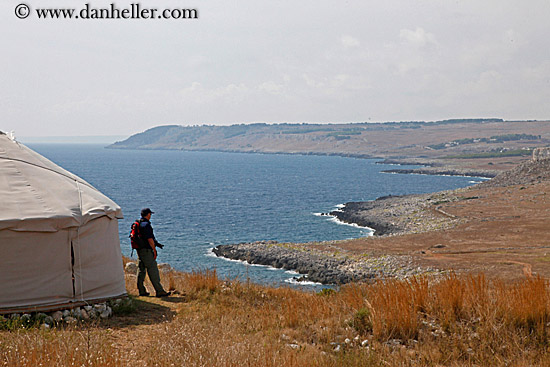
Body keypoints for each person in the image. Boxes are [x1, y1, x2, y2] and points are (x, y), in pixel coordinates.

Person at [136, 208, 171, 297]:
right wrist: (154, 250)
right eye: (150, 214)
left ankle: (141, 290)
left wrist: (157, 244)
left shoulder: (138, 223)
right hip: (147, 251)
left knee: (141, 270)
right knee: (153, 270)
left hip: (140, 250)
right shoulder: (146, 225)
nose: (150, 216)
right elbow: (150, 239)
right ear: (148, 214)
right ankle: (159, 291)